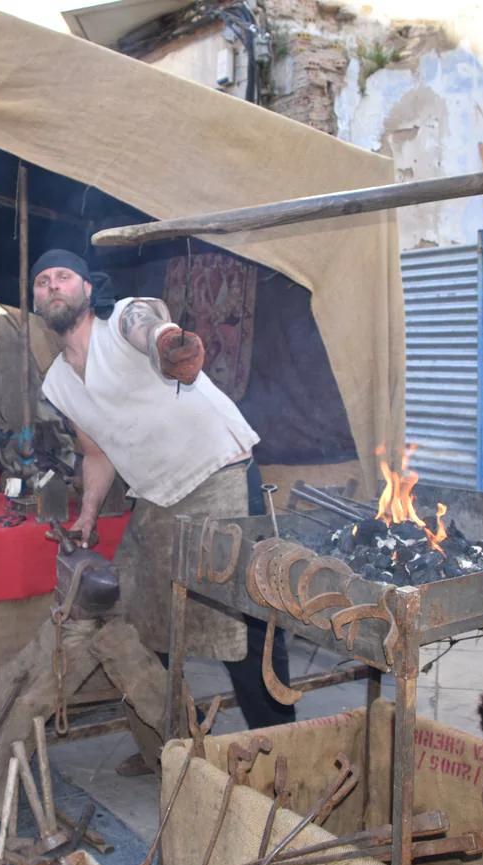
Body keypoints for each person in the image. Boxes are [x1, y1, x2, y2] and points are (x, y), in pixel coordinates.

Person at [33, 249, 296, 775]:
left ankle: (283, 750)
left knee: (243, 621)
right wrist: (87, 514)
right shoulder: (57, 382)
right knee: (136, 617)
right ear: (37, 302)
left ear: (88, 289)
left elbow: (147, 326)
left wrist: (168, 344)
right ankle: (169, 741)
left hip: (217, 471)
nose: (53, 286)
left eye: (64, 276)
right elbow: (96, 452)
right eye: (42, 282)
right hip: (156, 494)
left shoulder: (121, 324)